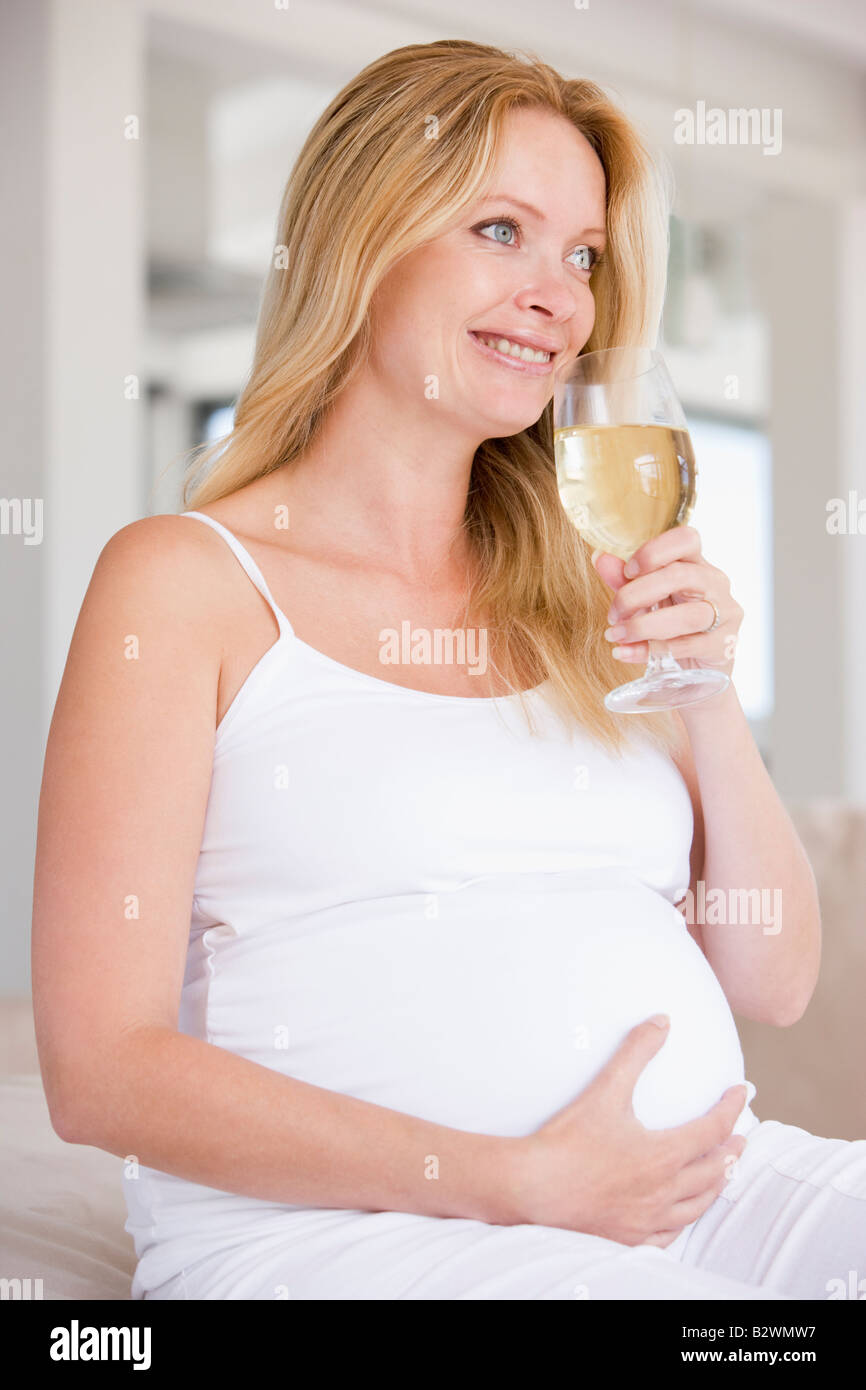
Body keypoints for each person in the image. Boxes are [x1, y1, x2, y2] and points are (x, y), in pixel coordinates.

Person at [32, 39, 863, 1301]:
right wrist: (514, 1178)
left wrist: (701, 693)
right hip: (354, 1239)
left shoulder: (585, 579)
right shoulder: (184, 582)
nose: (558, 295)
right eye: (500, 230)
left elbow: (776, 978)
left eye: (580, 255)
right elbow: (100, 1067)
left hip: (709, 1189)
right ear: (361, 243)